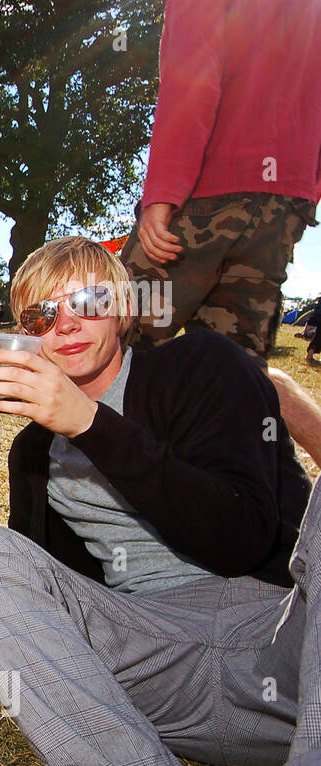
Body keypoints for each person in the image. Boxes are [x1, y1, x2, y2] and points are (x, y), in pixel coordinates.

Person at [0, 236, 319, 766]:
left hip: (283, 639)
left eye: (88, 300)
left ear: (127, 307)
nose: (67, 322)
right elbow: (46, 611)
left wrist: (90, 423)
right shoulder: (33, 451)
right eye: (41, 316)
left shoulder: (202, 365)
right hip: (157, 670)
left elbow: (239, 538)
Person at [120, 0, 321, 462]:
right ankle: (247, 505)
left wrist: (163, 194)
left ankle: (78, 509)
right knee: (238, 377)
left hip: (208, 191)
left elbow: (193, 80)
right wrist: (305, 188)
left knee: (110, 342)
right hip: (283, 203)